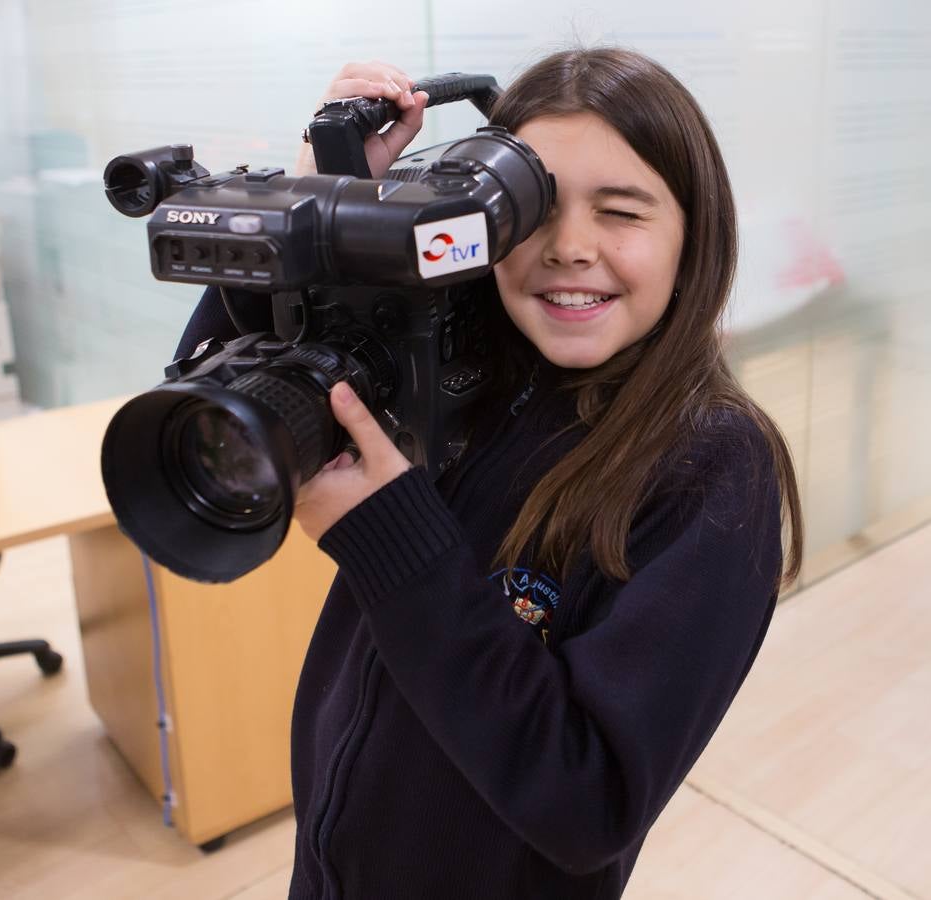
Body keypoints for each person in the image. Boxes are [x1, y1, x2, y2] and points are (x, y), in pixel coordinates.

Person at [176, 49, 803, 899]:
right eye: (533, 213)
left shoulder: (713, 469)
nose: (570, 248)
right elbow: (217, 410)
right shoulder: (455, 359)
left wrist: (393, 545)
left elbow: (589, 804)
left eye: (621, 212)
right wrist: (312, 211)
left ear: (694, 236)